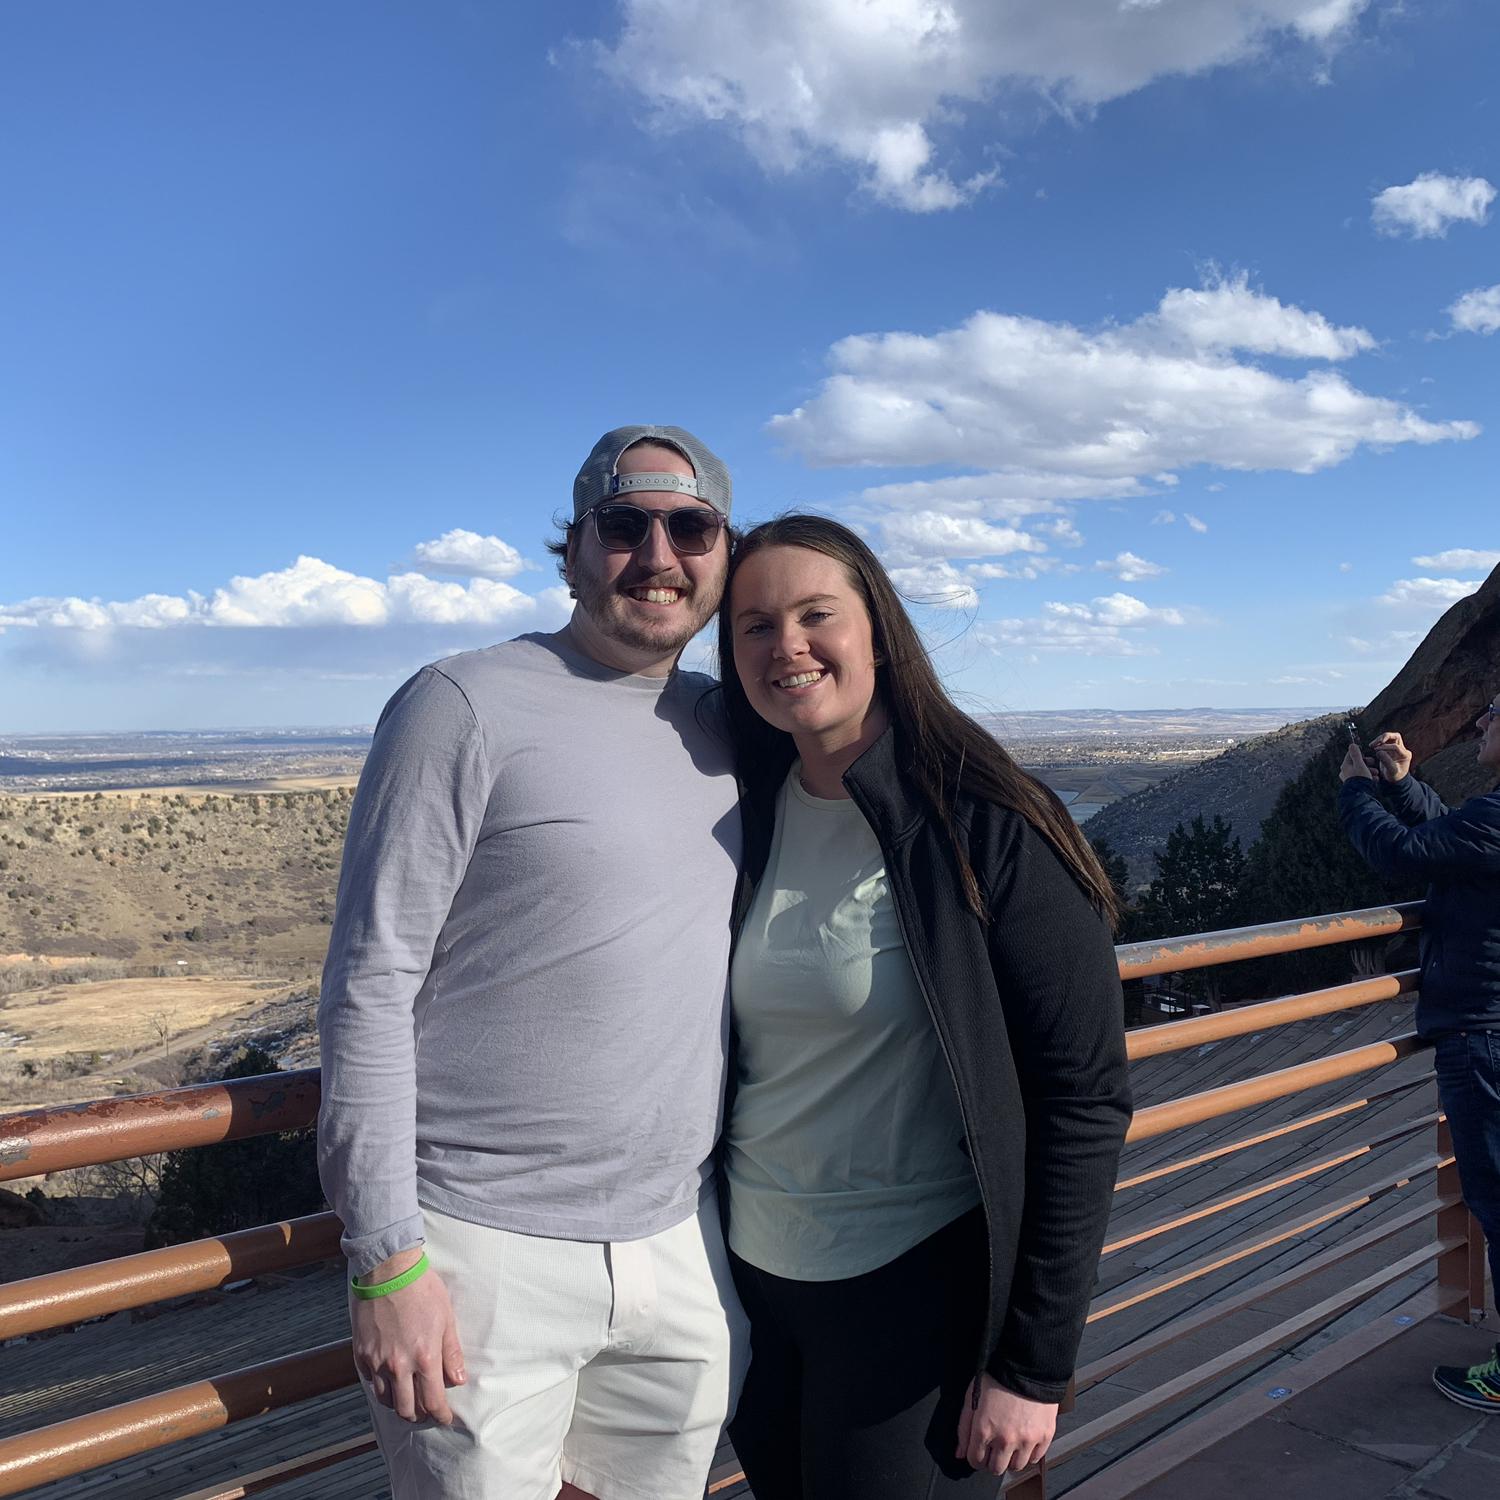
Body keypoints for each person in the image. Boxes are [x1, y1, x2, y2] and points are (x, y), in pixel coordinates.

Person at [317, 426, 750, 1500]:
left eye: (690, 527)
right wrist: (389, 1257)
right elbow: (370, 984)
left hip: (681, 1242)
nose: (658, 555)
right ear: (572, 551)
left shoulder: (736, 725)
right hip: (480, 1254)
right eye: (623, 525)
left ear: (723, 552)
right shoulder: (460, 705)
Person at [714, 514, 1132, 1495]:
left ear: (879, 630)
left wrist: (1034, 1364)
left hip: (910, 1298)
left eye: (818, 615)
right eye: (755, 627)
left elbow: (1084, 1097)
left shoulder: (987, 823)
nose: (789, 647)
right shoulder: (745, 813)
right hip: (752, 1289)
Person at [1338, 700, 1500, 1413]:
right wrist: (1404, 784)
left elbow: (1402, 853)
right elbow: (1449, 841)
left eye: (1496, 713)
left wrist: (1355, 790)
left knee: (1497, 1200)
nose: (1484, 722)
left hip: (1484, 1034)